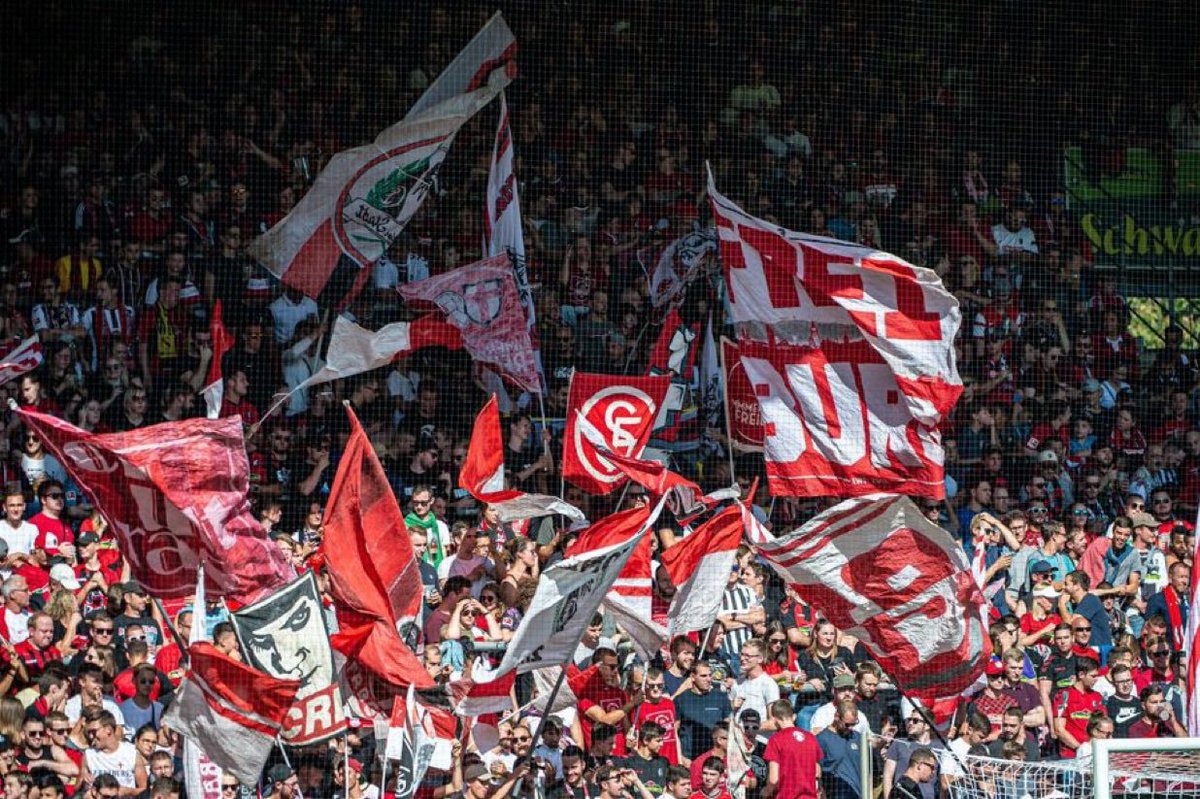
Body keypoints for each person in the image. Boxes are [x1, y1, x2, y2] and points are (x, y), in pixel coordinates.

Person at [79, 708, 147, 796]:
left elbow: (144, 790)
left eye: (94, 731)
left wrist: (127, 791)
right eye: (89, 732)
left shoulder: (131, 753)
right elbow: (77, 789)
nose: (91, 736)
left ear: (108, 730)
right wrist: (82, 779)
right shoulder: (89, 755)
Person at [761, 700, 820, 799]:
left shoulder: (776, 740)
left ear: (774, 720)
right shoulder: (811, 738)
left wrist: (766, 791)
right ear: (794, 717)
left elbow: (773, 779)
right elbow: (817, 771)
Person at [674, 661, 731, 763]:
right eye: (703, 676)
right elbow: (674, 731)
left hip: (715, 760)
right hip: (689, 759)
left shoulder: (721, 697)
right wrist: (681, 758)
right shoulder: (681, 700)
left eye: (710, 675)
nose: (709, 679)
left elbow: (728, 730)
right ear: (692, 677)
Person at [1053, 656, 1104, 758]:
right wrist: (1080, 749)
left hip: (1095, 754)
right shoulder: (1064, 695)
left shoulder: (1097, 697)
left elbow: (1103, 726)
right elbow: (1059, 729)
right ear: (1081, 674)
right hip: (1071, 756)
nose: (1096, 680)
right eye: (1093, 676)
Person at [815, 701, 862, 799]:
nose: (850, 728)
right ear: (836, 716)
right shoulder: (822, 739)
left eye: (853, 724)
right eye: (847, 724)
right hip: (835, 793)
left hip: (858, 793)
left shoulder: (857, 737)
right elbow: (816, 769)